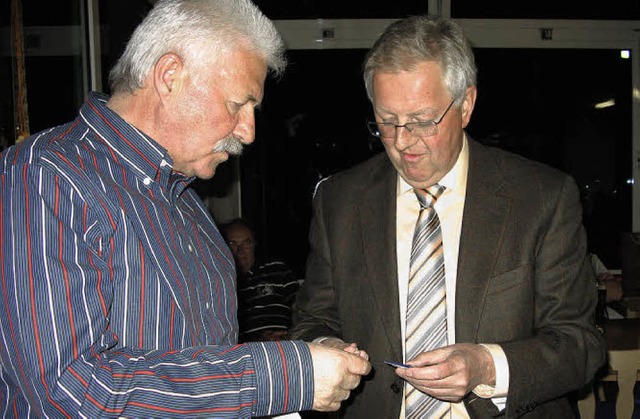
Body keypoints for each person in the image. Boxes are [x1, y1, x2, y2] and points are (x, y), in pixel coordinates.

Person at [0, 1, 371, 417]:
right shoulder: (44, 177)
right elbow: (67, 392)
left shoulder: (188, 203)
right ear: (170, 76)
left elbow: (199, 368)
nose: (248, 132)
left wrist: (309, 357)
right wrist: (286, 376)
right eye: (237, 104)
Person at [291, 15, 605, 418]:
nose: (403, 142)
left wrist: (487, 365)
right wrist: (326, 348)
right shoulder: (339, 200)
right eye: (386, 122)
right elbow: (311, 320)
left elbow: (580, 345)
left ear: (466, 105)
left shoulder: (541, 197)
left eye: (422, 121)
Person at [220, 218, 302, 342]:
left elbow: (301, 307)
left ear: (254, 244)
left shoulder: (276, 269)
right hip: (246, 349)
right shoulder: (221, 282)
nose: (240, 250)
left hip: (286, 341)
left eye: (246, 243)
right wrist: (257, 339)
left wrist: (291, 334)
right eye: (233, 243)